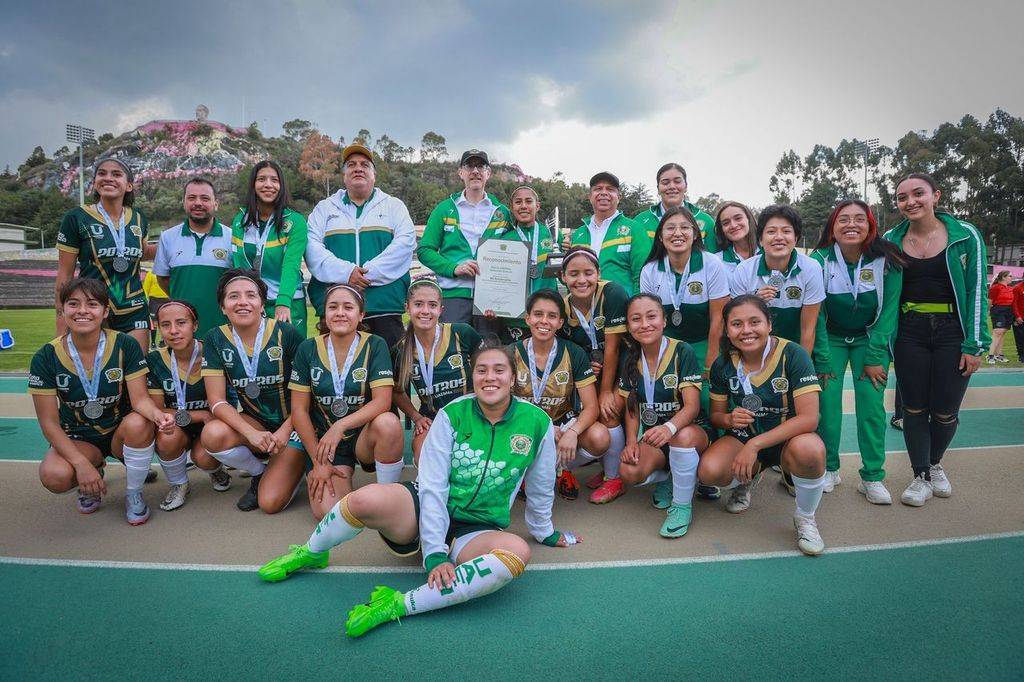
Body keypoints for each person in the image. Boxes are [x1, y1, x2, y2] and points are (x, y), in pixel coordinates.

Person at [257, 343, 580, 638]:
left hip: (477, 529)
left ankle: (397, 605)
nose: (490, 377)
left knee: (516, 554)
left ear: (513, 377)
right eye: (482, 370)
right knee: (363, 499)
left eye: (499, 370)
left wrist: (544, 531)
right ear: (473, 376)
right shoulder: (453, 413)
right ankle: (312, 552)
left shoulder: (536, 422)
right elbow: (433, 485)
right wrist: (434, 553)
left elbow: (540, 485)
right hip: (422, 510)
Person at [30, 277, 174, 525]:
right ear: (62, 310)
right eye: (73, 304)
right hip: (80, 438)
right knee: (54, 475)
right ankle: (93, 469)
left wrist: (158, 415)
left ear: (105, 311)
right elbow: (49, 423)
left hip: (120, 432)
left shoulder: (124, 344)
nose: (83, 311)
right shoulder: (46, 356)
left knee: (141, 422)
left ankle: (134, 493)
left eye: (92, 304)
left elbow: (140, 400)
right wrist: (80, 464)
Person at [884, 173, 989, 507]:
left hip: (952, 333)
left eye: (918, 194)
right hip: (910, 333)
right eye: (902, 197)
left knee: (945, 412)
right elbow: (885, 294)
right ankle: (921, 476)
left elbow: (976, 291)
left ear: (936, 196)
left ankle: (934, 462)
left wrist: (974, 344)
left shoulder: (965, 234)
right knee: (913, 408)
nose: (911, 201)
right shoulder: (891, 238)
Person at [699, 295, 828, 555]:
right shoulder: (723, 364)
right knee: (709, 471)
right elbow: (716, 416)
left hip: (786, 440)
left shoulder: (793, 354)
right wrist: (729, 419)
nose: (746, 330)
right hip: (744, 437)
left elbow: (809, 418)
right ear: (726, 329)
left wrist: (755, 445)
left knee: (811, 451)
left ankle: (805, 517)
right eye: (736, 324)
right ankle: (749, 477)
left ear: (769, 324)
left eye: (754, 321)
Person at [810, 200, 904, 504]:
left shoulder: (887, 258)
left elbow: (889, 312)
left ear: (870, 225)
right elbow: (816, 315)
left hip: (869, 340)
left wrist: (877, 355)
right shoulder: (819, 259)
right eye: (843, 220)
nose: (851, 225)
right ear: (833, 228)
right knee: (826, 404)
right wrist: (822, 356)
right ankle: (830, 468)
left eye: (859, 219)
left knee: (871, 408)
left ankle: (873, 476)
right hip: (832, 340)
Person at [289, 284, 405, 519]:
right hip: (327, 445)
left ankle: (387, 495)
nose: (340, 312)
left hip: (362, 438)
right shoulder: (307, 348)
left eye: (348, 307)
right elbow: (299, 411)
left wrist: (340, 425)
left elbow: (382, 401)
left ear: (361, 314)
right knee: (329, 514)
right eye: (333, 307)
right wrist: (318, 461)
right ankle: (315, 471)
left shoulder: (375, 344)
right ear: (324, 312)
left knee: (389, 422)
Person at [639, 205, 729, 502]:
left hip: (705, 342)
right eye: (670, 228)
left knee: (704, 403)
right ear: (661, 236)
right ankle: (672, 474)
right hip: (668, 346)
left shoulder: (712, 264)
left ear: (695, 234)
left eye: (684, 228)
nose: (677, 233)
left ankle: (702, 474)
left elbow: (719, 318)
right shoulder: (651, 269)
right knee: (668, 401)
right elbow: (649, 319)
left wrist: (710, 364)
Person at [199, 269, 306, 512]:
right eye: (233, 296)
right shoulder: (215, 338)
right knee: (212, 434)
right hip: (257, 423)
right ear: (223, 307)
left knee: (270, 504)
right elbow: (216, 400)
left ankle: (297, 462)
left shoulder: (285, 333)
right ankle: (260, 472)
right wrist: (251, 434)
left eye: (251, 295)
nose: (243, 302)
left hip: (296, 423)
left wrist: (285, 430)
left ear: (261, 304)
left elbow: (308, 392)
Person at [616, 294, 713, 538]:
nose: (645, 324)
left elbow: (691, 407)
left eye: (651, 316)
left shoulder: (683, 351)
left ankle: (681, 506)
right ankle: (672, 476)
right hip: (657, 437)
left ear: (664, 320)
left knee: (683, 437)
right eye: (636, 319)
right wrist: (630, 443)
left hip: (688, 432)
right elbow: (632, 408)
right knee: (629, 470)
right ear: (628, 326)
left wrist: (669, 428)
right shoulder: (629, 356)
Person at [306, 144, 416, 349]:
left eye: (365, 165)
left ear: (374, 174)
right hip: (336, 309)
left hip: (383, 306)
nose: (358, 168)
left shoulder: (394, 206)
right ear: (344, 175)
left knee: (389, 374)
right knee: (335, 374)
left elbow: (405, 245)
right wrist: (346, 273)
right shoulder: (324, 208)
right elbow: (312, 249)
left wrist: (365, 275)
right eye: (351, 165)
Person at [510, 290, 608, 500]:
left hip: (562, 426)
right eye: (538, 314)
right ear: (527, 318)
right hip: (522, 424)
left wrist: (573, 432)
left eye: (552, 316)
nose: (544, 321)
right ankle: (525, 473)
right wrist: (542, 426)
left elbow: (591, 407)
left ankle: (562, 469)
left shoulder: (574, 352)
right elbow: (501, 406)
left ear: (560, 322)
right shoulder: (510, 353)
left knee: (599, 437)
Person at [56, 157, 156, 350]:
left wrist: (176, 243)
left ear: (128, 186)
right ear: (94, 183)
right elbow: (65, 274)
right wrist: (61, 323)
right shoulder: (76, 218)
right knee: (95, 373)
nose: (108, 178)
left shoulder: (138, 218)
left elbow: (142, 252)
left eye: (116, 174)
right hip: (93, 308)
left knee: (136, 371)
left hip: (133, 307)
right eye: (102, 173)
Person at [558, 246, 630, 503]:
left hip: (624, 364)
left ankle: (615, 479)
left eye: (588, 272)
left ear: (598, 273)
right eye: (574, 273)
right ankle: (607, 468)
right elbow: (573, 350)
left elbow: (612, 347)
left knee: (607, 411)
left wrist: (607, 390)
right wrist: (589, 363)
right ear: (563, 276)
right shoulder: (562, 307)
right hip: (596, 368)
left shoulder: (612, 292)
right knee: (592, 412)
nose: (581, 280)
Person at [146, 300, 233, 511]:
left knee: (203, 458)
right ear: (158, 328)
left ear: (194, 325)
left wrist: (207, 418)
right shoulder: (154, 359)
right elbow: (157, 408)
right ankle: (179, 484)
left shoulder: (214, 353)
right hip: (178, 423)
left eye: (181, 323)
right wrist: (201, 415)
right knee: (167, 437)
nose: (173, 331)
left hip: (213, 426)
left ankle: (215, 470)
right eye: (165, 325)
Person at [416, 149, 510, 331]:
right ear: (461, 173)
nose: (475, 171)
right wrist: (454, 268)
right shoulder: (444, 209)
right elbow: (425, 250)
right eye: (469, 166)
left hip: (492, 299)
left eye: (481, 166)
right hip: (454, 295)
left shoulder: (502, 212)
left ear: (488, 173)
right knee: (454, 354)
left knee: (489, 353)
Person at [392, 279, 481, 462]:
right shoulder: (401, 349)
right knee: (423, 454)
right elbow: (396, 391)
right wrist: (416, 417)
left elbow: (489, 368)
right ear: (407, 307)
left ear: (441, 309)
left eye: (432, 305)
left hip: (471, 415)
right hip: (432, 419)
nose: (425, 311)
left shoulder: (462, 333)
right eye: (418, 304)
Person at [231, 160, 309, 337]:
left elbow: (291, 264)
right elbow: (239, 265)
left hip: (288, 302)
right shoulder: (240, 220)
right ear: (253, 184)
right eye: (261, 179)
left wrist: (283, 301)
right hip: (251, 304)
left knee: (290, 360)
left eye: (274, 180)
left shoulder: (295, 221)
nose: (268, 185)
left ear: (281, 185)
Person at [153, 177, 233, 338]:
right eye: (191, 198)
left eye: (205, 198)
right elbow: (163, 279)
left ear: (216, 203)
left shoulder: (232, 238)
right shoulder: (168, 237)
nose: (198, 203)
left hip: (222, 328)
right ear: (184, 202)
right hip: (181, 331)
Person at [477, 186, 560, 342]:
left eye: (529, 201)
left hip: (546, 317)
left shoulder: (553, 235)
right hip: (514, 320)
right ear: (511, 207)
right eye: (518, 202)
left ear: (538, 205)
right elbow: (493, 276)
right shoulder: (505, 239)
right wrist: (491, 304)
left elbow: (564, 275)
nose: (523, 206)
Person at [569, 172, 652, 294]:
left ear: (619, 197)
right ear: (590, 196)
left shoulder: (635, 229)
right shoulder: (578, 234)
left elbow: (642, 276)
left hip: (622, 308)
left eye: (610, 189)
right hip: (584, 310)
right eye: (598, 189)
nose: (603, 192)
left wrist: (635, 307)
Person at [633, 163, 718, 252]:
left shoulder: (706, 222)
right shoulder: (639, 222)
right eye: (665, 182)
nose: (672, 186)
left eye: (677, 181)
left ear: (686, 186)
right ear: (658, 188)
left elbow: (714, 259)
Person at [714, 201, 761, 276]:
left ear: (749, 219)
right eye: (726, 223)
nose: (733, 225)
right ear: (721, 229)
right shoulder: (717, 261)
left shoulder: (769, 252)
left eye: (738, 218)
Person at [987, 271, 1015, 363]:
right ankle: (990, 356)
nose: (1012, 277)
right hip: (999, 310)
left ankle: (999, 355)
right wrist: (988, 311)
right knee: (997, 332)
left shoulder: (1010, 288)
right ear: (1003, 277)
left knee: (1002, 333)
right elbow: (990, 301)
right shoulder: (995, 288)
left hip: (1009, 311)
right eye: (1010, 276)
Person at [1012, 278, 1024, 362]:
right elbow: (1014, 303)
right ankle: (1021, 355)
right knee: (1020, 337)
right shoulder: (1017, 288)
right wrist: (1017, 316)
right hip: (1020, 318)